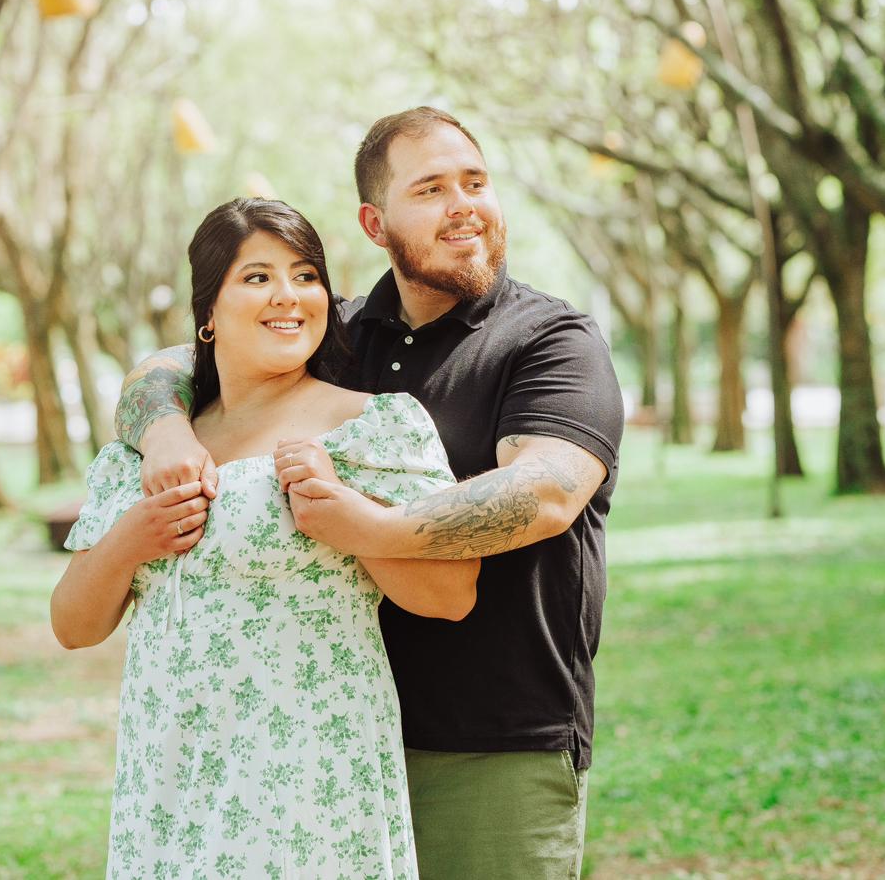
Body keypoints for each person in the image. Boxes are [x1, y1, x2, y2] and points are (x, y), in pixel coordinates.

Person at [119, 107, 622, 879]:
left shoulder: (551, 340)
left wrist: (367, 527)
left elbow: (547, 492)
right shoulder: (333, 336)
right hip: (325, 749)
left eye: (476, 182)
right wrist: (165, 433)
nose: (464, 204)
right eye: (431, 189)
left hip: (488, 742)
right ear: (374, 222)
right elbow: (166, 364)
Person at [51, 198, 478, 878]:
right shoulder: (147, 449)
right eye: (257, 277)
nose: (289, 295)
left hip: (306, 780)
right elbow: (73, 625)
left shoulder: (372, 427)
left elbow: (450, 595)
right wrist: (131, 538)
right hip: (168, 777)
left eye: (306, 276)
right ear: (208, 313)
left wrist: (347, 515)